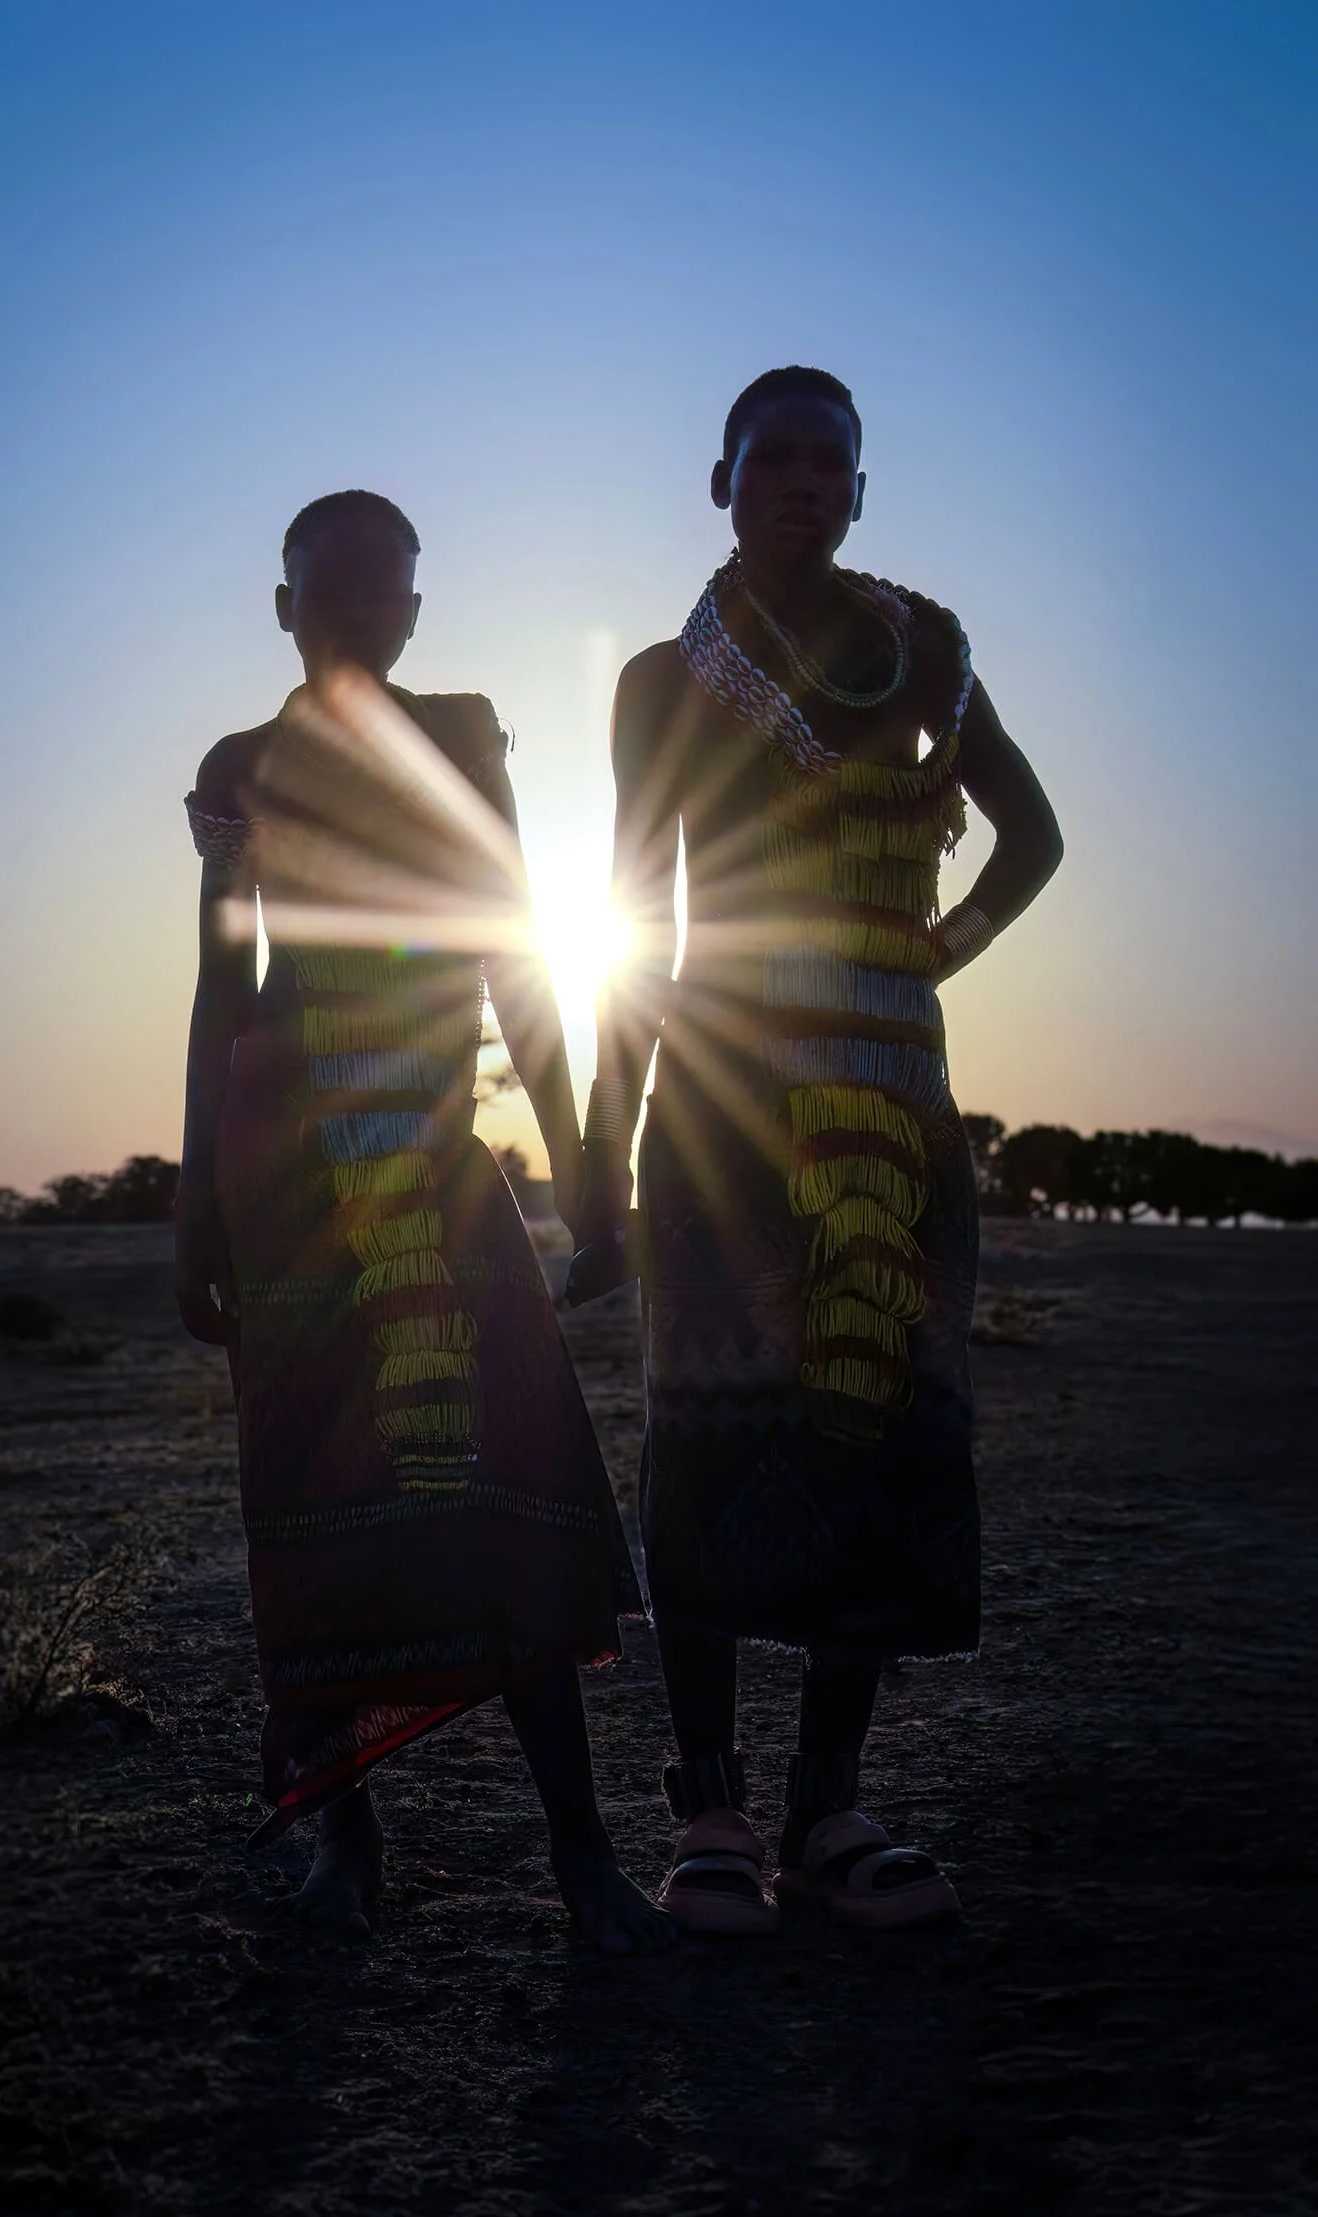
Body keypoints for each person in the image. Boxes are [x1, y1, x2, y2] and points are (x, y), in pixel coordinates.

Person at [570, 368, 1063, 1933]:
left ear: (862, 489)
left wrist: (940, 949)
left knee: (883, 1428)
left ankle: (825, 1809)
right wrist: (599, 1146)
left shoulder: (929, 656)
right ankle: (708, 1796)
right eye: (767, 457)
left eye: (827, 460)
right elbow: (638, 912)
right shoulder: (669, 679)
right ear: (718, 485)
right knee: (714, 1436)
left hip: (896, 1103)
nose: (798, 480)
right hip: (721, 1104)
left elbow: (1034, 840)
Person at [177, 488, 672, 1953]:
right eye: (324, 591)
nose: (354, 613)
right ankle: (352, 1850)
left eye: (381, 590)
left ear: (412, 607)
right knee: (310, 1500)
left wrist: (587, 1164)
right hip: (287, 1168)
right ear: (285, 608)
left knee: (505, 1484)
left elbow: (516, 947)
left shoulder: (462, 739)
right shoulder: (241, 765)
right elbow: (222, 982)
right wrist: (193, 1196)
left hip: (446, 1164)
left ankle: (583, 1860)